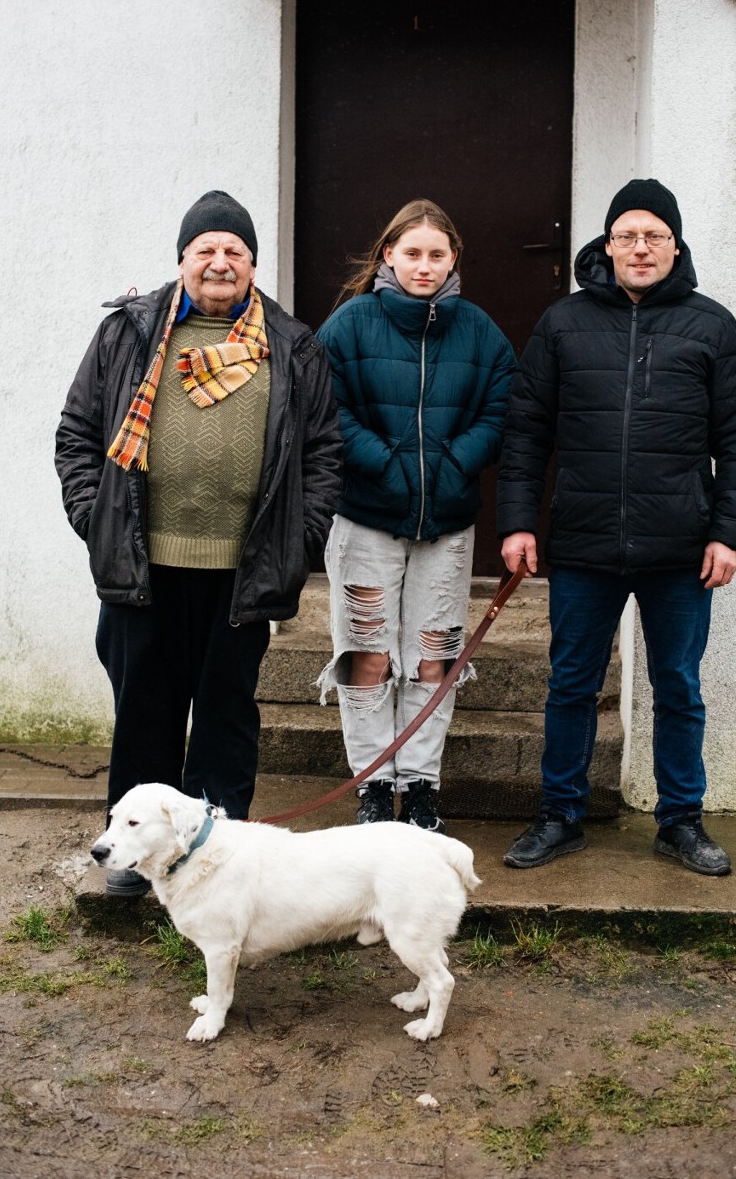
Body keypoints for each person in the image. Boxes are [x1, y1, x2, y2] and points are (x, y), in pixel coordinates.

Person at [55, 190, 342, 895]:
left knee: (224, 714)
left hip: (240, 571)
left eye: (234, 251)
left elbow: (324, 453)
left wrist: (298, 542)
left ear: (252, 264)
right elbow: (77, 436)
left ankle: (215, 861)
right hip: (142, 565)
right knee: (145, 713)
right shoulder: (128, 332)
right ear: (182, 260)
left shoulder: (293, 345)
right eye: (205, 249)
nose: (220, 262)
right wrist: (98, 521)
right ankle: (135, 859)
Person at [497, 179, 736, 876]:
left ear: (676, 247)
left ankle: (681, 820)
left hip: (681, 547)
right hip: (584, 543)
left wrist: (730, 533)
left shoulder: (712, 326)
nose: (640, 248)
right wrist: (519, 522)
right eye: (627, 235)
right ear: (606, 245)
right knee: (571, 683)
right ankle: (560, 814)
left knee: (677, 684)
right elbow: (526, 430)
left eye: (655, 236)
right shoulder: (564, 324)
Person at [316, 199, 515, 832]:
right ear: (388, 257)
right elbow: (327, 408)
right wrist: (388, 461)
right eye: (412, 254)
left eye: (436, 254)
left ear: (453, 259)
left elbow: (501, 408)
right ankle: (374, 785)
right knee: (367, 655)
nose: (423, 266)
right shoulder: (348, 326)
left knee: (434, 656)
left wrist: (455, 465)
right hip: (366, 518)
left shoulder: (480, 331)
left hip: (447, 526)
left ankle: (421, 784)